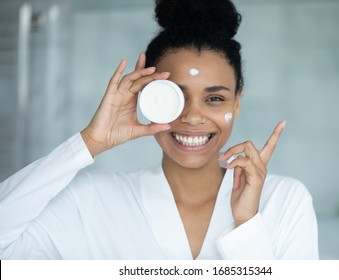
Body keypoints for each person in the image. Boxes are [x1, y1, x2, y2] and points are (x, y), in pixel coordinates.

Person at [0, 0, 318, 260]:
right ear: (147, 97)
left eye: (215, 98)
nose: (193, 117)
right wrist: (90, 142)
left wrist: (247, 224)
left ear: (237, 102)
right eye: (174, 96)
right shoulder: (93, 199)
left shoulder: (284, 200)